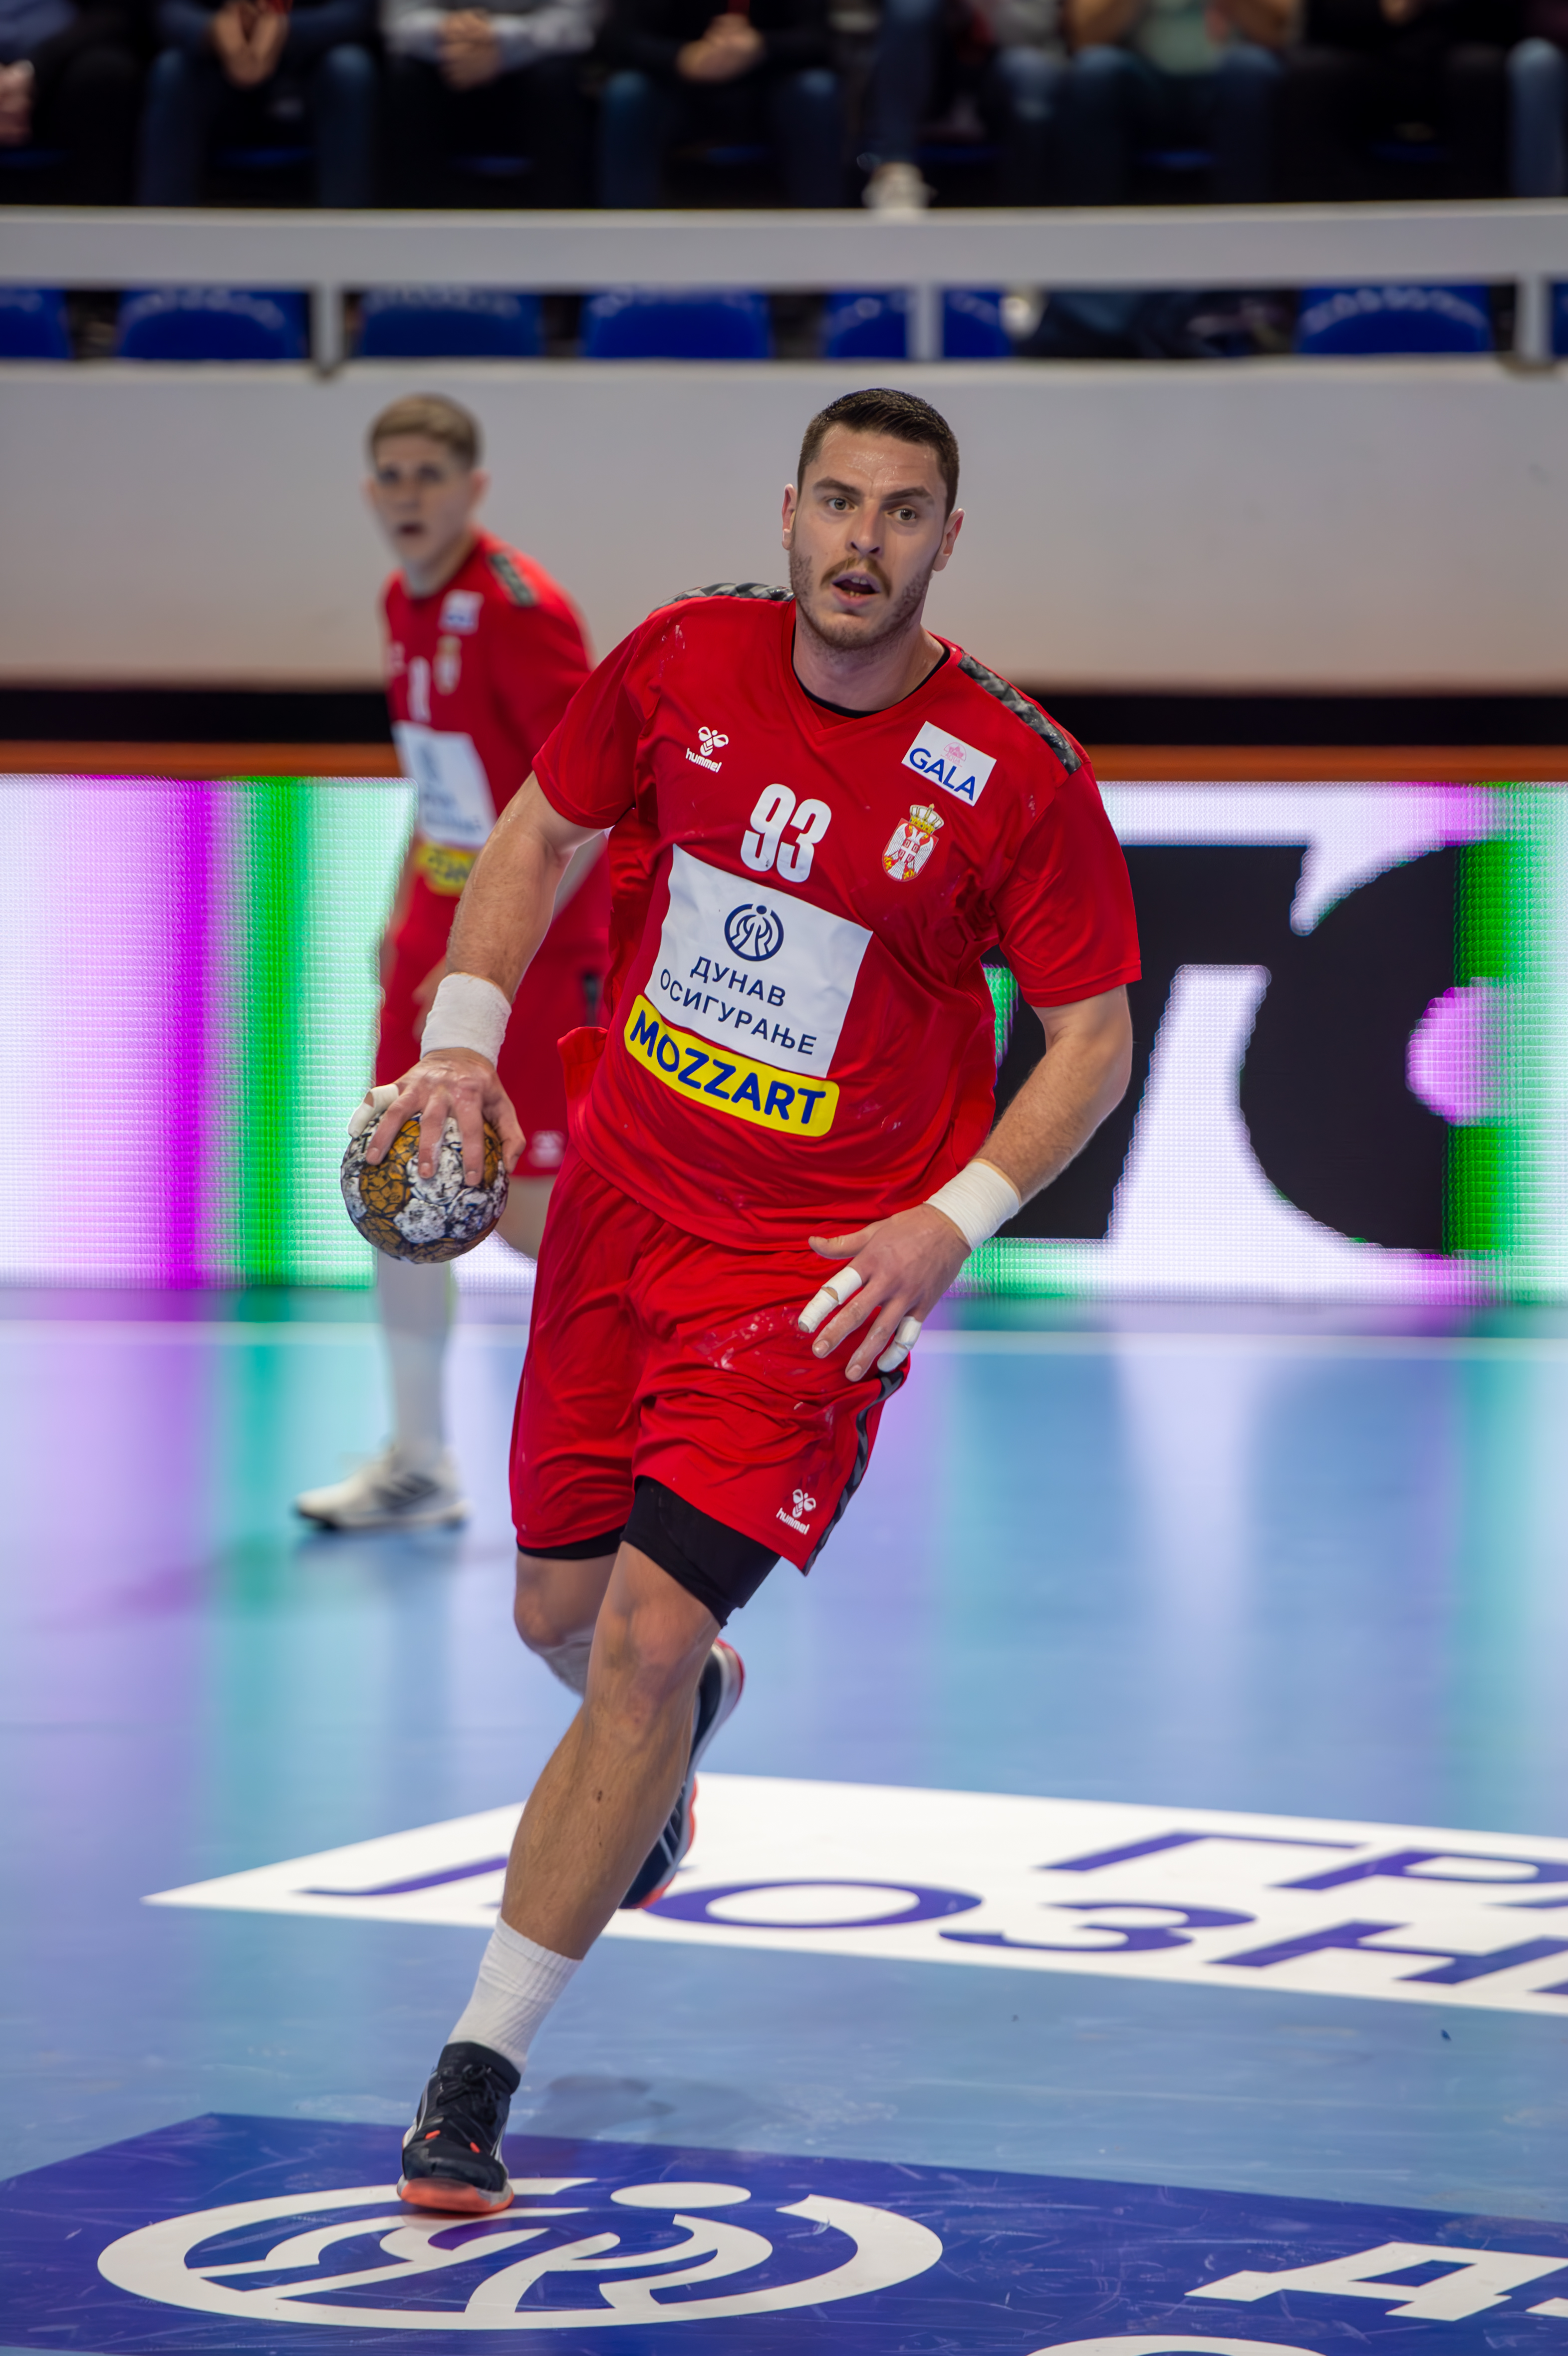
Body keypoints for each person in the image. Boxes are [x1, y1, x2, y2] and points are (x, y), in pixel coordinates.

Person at [357, 384, 1140, 2216]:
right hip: (619, 1211)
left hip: (805, 1282)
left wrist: (948, 1222)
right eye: (838, 502)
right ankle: (687, 1711)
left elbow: (1091, 1035)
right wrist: (463, 1045)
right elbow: (534, 832)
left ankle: (474, 2073)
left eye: (903, 510)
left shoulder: (1012, 770)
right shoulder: (679, 658)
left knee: (632, 1646)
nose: (864, 540)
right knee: (561, 1615)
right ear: (789, 513)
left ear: (947, 539)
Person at [295, 394, 607, 1535]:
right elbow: (438, 783)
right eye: (390, 474)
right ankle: (419, 1461)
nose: (407, 494)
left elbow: (588, 805)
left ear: (472, 489)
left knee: (530, 1218)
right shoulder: (401, 600)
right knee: (396, 1181)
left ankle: (638, 1433)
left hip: (528, 954)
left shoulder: (520, 612)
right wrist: (402, 915)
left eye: (429, 474)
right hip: (436, 940)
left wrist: (491, 959)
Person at [595, 0, 841, 206]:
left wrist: (762, 46)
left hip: (767, 91)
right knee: (628, 91)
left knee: (817, 88)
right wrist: (680, 58)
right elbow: (617, 39)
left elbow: (821, 38)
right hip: (675, 92)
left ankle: (826, 227)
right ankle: (623, 230)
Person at [136, 0, 377, 205]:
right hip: (215, 70)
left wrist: (283, 30)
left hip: (306, 70)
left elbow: (355, 12)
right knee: (172, 70)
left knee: (349, 69)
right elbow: (169, 9)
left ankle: (347, 231)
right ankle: (161, 231)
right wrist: (212, 31)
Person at [1061, 0, 1291, 202]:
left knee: (1249, 70)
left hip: (1226, 77)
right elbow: (1086, 36)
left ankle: (1247, 224)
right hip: (1142, 82)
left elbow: (1277, 32)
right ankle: (1093, 225)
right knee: (1097, 70)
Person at [1279, 0, 1512, 197]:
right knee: (1313, 73)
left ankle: (1479, 206)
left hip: (1450, 41)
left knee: (1479, 70)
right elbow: (1321, 16)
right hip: (1359, 45)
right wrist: (1380, 10)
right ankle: (1318, 211)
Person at [858, 0, 1067, 213]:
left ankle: (1028, 208)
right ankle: (895, 171)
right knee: (912, 6)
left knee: (1031, 74)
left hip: (1001, 59)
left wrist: (983, 9)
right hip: (923, 65)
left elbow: (1035, 29)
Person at [382, 0, 597, 204]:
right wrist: (451, 32)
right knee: (406, 75)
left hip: (534, 62)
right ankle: (411, 215)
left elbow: (575, 21)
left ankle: (559, 215)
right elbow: (399, 20)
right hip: (444, 64)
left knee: (555, 78)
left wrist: (497, 39)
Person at [0, 0, 138, 200]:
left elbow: (112, 14)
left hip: (58, 66)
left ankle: (97, 210)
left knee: (105, 72)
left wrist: (32, 71)